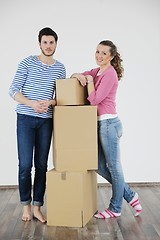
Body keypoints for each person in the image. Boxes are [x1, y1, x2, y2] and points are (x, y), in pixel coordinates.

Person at [71, 40, 142, 219]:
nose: (99, 56)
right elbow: (83, 74)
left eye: (103, 53)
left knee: (114, 168)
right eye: (97, 52)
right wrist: (77, 75)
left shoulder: (109, 74)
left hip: (109, 124)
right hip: (101, 124)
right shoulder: (98, 71)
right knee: (97, 164)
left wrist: (88, 82)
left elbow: (94, 99)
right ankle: (129, 194)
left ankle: (116, 208)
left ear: (111, 56)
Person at [9, 27, 66, 223]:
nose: (48, 46)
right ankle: (25, 205)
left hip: (46, 121)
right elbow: (13, 91)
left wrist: (49, 102)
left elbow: (61, 97)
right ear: (39, 43)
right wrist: (32, 103)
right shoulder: (27, 62)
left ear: (56, 44)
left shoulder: (60, 68)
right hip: (25, 118)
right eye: (45, 42)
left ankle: (37, 208)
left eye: (52, 42)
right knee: (25, 165)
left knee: (41, 165)